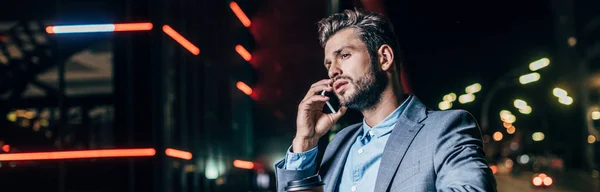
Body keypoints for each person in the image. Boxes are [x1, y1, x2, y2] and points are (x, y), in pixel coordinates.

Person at [274, 9, 497, 192]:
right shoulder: (339, 142)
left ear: (384, 58)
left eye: (344, 55)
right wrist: (305, 141)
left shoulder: (445, 128)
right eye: (328, 64)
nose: (333, 71)